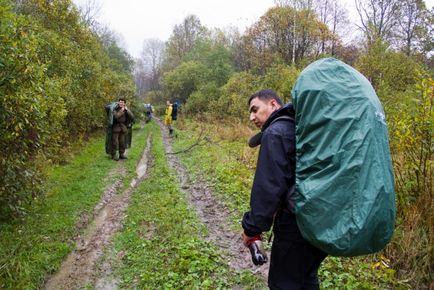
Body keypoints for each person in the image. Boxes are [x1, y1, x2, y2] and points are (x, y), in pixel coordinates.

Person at [241, 89, 327, 289]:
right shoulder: (300, 128)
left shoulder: (276, 132)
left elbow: (269, 186)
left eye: (255, 109)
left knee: (284, 283)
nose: (251, 117)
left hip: (295, 226)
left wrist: (252, 228)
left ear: (273, 104)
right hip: (319, 219)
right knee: (306, 278)